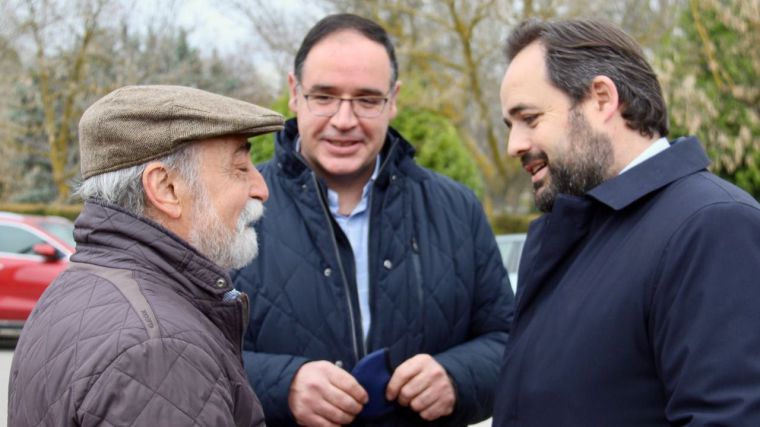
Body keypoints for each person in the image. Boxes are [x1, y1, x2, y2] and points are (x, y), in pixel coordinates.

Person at [232, 13, 513, 427]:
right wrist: (281, 385)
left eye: (367, 100)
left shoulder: (457, 208)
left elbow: (510, 342)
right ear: (294, 92)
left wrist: (457, 377)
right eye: (324, 97)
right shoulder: (234, 211)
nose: (344, 121)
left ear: (393, 98)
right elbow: (185, 356)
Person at [493, 18, 760, 426]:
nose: (515, 145)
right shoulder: (568, 233)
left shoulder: (711, 227)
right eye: (510, 126)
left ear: (601, 99)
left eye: (529, 118)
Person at [8, 85, 284, 426]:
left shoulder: (81, 285)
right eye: (240, 168)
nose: (261, 188)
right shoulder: (159, 349)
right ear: (166, 188)